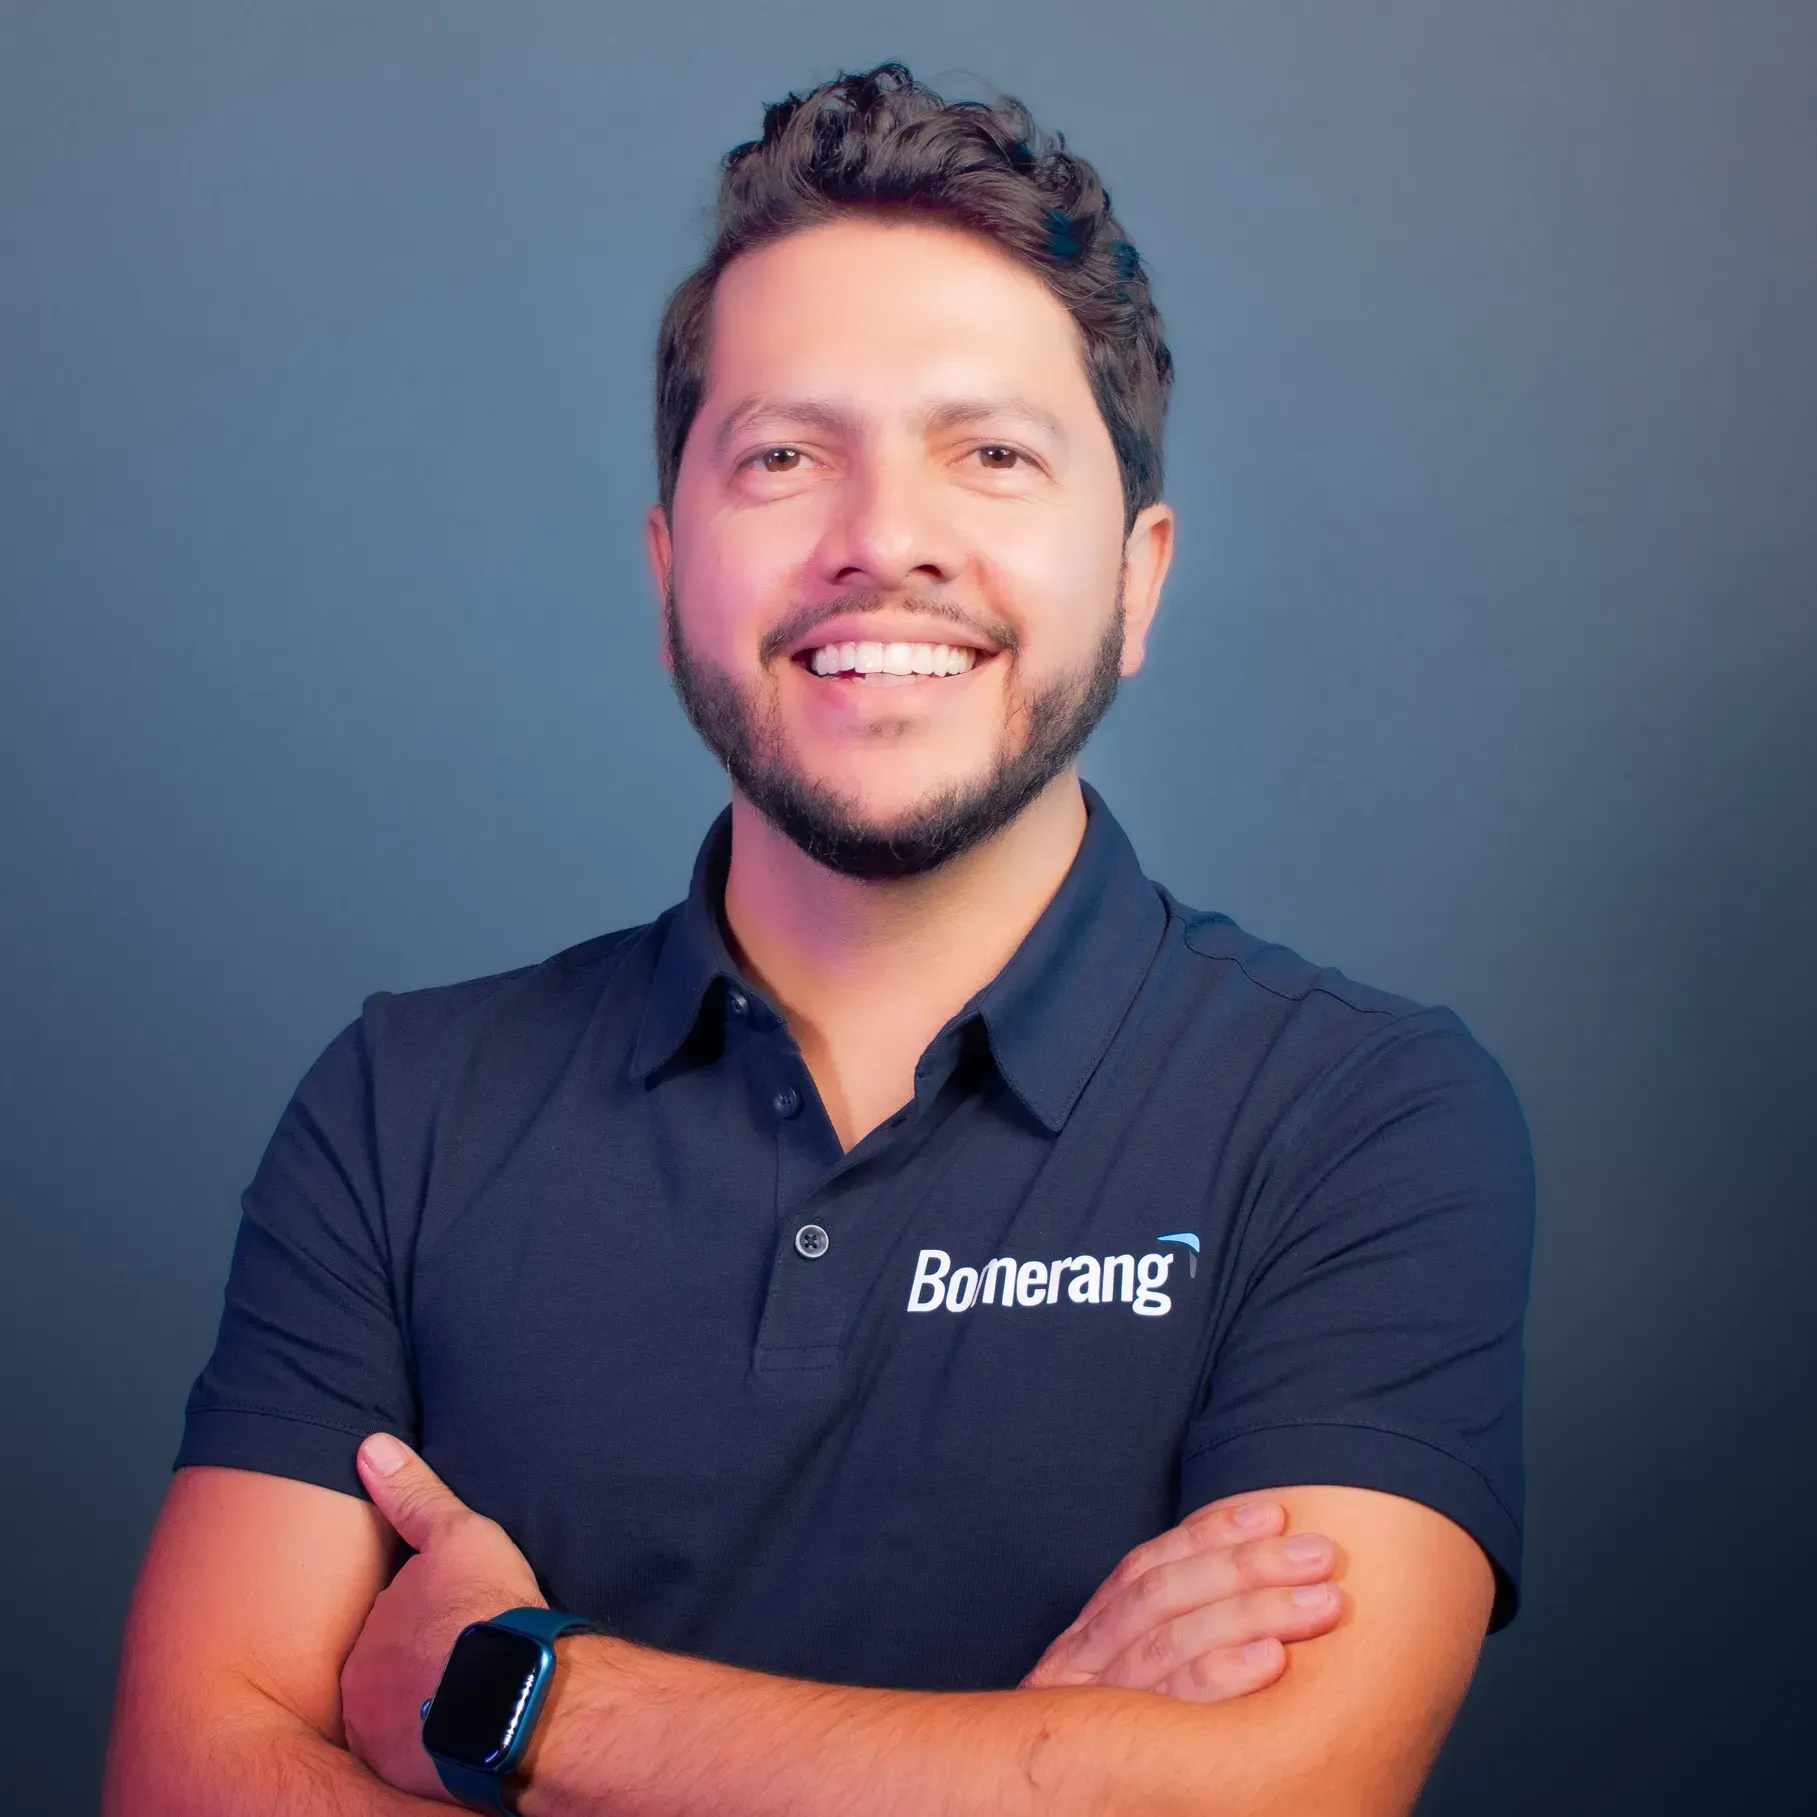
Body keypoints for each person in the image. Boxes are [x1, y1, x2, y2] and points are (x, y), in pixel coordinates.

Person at [105, 63, 1533, 1817]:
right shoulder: (403, 1106)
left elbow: (1281, 1794)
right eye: (785, 456)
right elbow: (188, 1779)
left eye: (992, 454)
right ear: (666, 567)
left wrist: (532, 1705)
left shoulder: (1359, 1119)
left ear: (1141, 578)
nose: (884, 543)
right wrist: (1040, 1769)